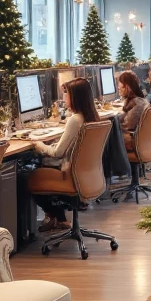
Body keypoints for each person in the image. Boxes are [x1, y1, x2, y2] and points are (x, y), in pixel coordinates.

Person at [32, 78, 100, 231]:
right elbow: (69, 146)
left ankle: (55, 215)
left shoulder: (75, 120)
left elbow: (58, 153)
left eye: (66, 93)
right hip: (87, 175)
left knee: (27, 177)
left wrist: (39, 145)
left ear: (75, 97)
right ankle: (59, 219)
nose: (63, 98)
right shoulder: (92, 117)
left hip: (70, 175)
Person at [118, 69, 148, 152]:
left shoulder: (136, 104)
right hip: (140, 140)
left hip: (131, 141)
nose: (118, 88)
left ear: (127, 86)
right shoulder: (141, 100)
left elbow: (127, 126)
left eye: (120, 87)